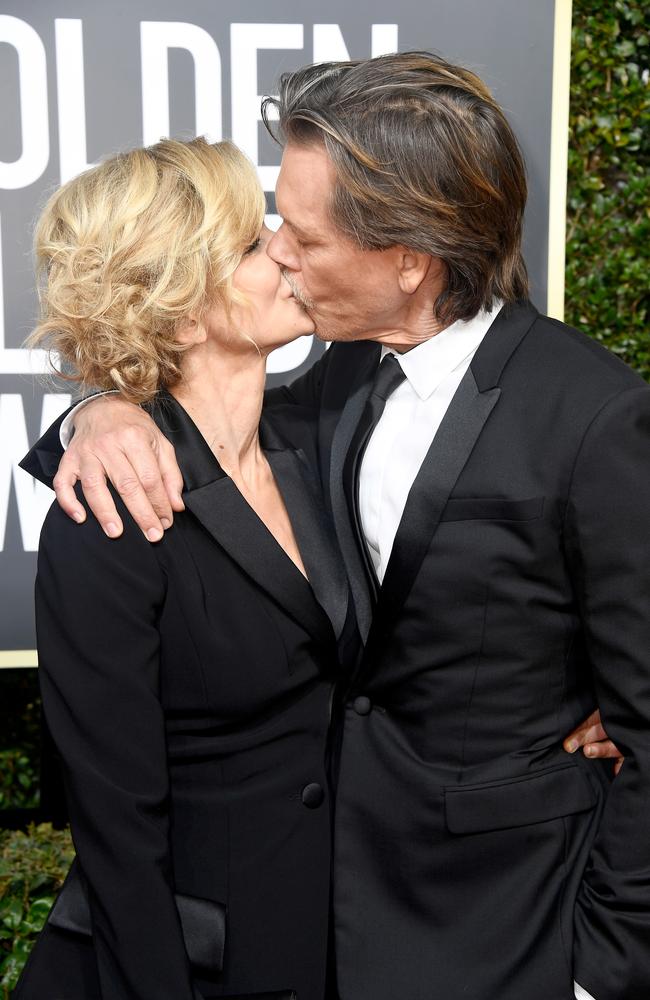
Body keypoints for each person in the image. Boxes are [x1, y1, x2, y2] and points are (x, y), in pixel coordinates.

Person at [22, 52, 647, 1000]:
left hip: (501, 930)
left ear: (407, 257)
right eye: (260, 235)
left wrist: (601, 974)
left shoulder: (586, 414)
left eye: (299, 234)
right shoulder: (328, 397)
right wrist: (98, 410)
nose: (279, 249)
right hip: (286, 940)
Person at [15, 137, 349, 1000]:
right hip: (197, 970)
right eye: (249, 244)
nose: (285, 249)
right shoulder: (110, 520)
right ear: (182, 312)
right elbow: (119, 834)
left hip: (338, 943)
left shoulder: (323, 441)